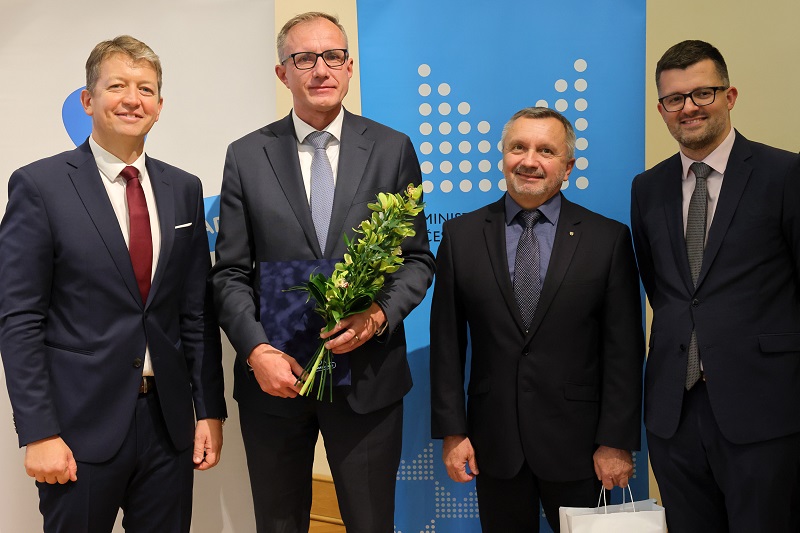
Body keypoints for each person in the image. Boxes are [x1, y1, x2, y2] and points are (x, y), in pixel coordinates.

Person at [209, 11, 434, 533]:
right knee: (279, 522)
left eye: (333, 56)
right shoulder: (246, 155)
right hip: (274, 381)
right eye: (304, 58)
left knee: (371, 522)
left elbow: (417, 259)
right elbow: (230, 273)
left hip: (367, 378)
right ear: (282, 72)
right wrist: (257, 352)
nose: (320, 69)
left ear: (349, 67)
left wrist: (378, 315)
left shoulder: (392, 148)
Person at [0, 36, 226, 532]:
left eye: (145, 89)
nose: (132, 99)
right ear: (88, 100)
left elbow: (195, 312)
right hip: (77, 431)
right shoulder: (39, 186)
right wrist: (38, 432)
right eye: (117, 86)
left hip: (168, 428)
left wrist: (209, 411)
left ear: (160, 106)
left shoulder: (183, 188)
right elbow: (19, 319)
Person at [430, 107, 644, 532]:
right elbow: (447, 345)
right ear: (503, 157)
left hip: (582, 447)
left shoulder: (608, 239)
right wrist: (453, 432)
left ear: (568, 167)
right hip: (494, 445)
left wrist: (616, 441)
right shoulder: (461, 237)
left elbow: (624, 350)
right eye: (518, 148)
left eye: (546, 150)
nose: (529, 160)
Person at [631, 40, 800, 532]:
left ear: (730, 96)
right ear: (661, 109)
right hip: (674, 414)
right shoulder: (647, 187)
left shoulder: (785, 174)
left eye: (702, 93)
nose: (689, 107)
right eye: (674, 99)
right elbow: (663, 290)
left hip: (765, 411)